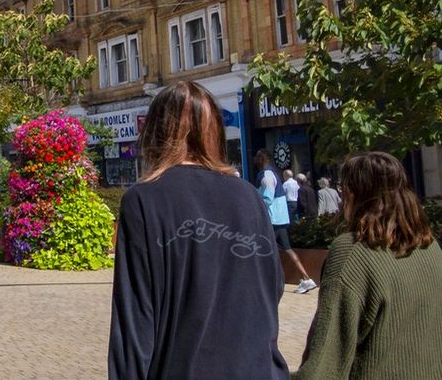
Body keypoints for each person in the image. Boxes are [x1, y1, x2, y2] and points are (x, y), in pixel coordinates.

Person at [109, 81, 290, 379]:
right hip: (257, 368)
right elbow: (273, 287)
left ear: (155, 133)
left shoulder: (144, 199)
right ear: (215, 132)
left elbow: (135, 320)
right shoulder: (248, 195)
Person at [294, 152, 442, 379]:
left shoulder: (352, 252)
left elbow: (325, 362)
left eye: (344, 189)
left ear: (354, 194)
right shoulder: (430, 248)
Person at [254, 150, 316, 293]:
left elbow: (267, 199)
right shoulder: (273, 174)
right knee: (285, 249)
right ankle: (306, 278)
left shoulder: (266, 176)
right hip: (279, 218)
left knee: (260, 249)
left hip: (272, 218)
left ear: (262, 159)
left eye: (257, 157)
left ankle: (267, 282)